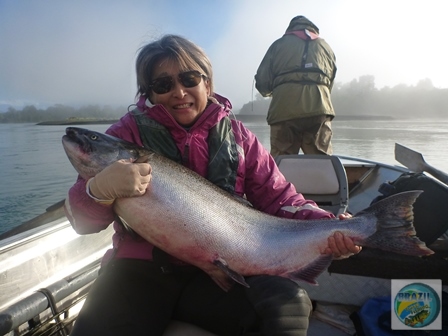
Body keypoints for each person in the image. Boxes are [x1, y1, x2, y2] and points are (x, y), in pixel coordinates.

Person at [65, 34, 360, 336]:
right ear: (149, 94)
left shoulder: (239, 136)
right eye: (163, 85)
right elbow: (83, 223)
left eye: (189, 79)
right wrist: (97, 191)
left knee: (288, 307)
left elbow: (280, 197)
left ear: (207, 83)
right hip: (141, 271)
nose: (179, 92)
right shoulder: (124, 136)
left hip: (222, 270)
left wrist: (329, 227)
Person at [255, 15, 337, 157]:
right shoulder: (326, 47)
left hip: (284, 109)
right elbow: (330, 82)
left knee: (282, 161)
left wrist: (270, 92)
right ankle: (321, 179)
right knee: (321, 160)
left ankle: (283, 179)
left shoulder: (278, 45)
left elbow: (263, 82)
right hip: (320, 108)